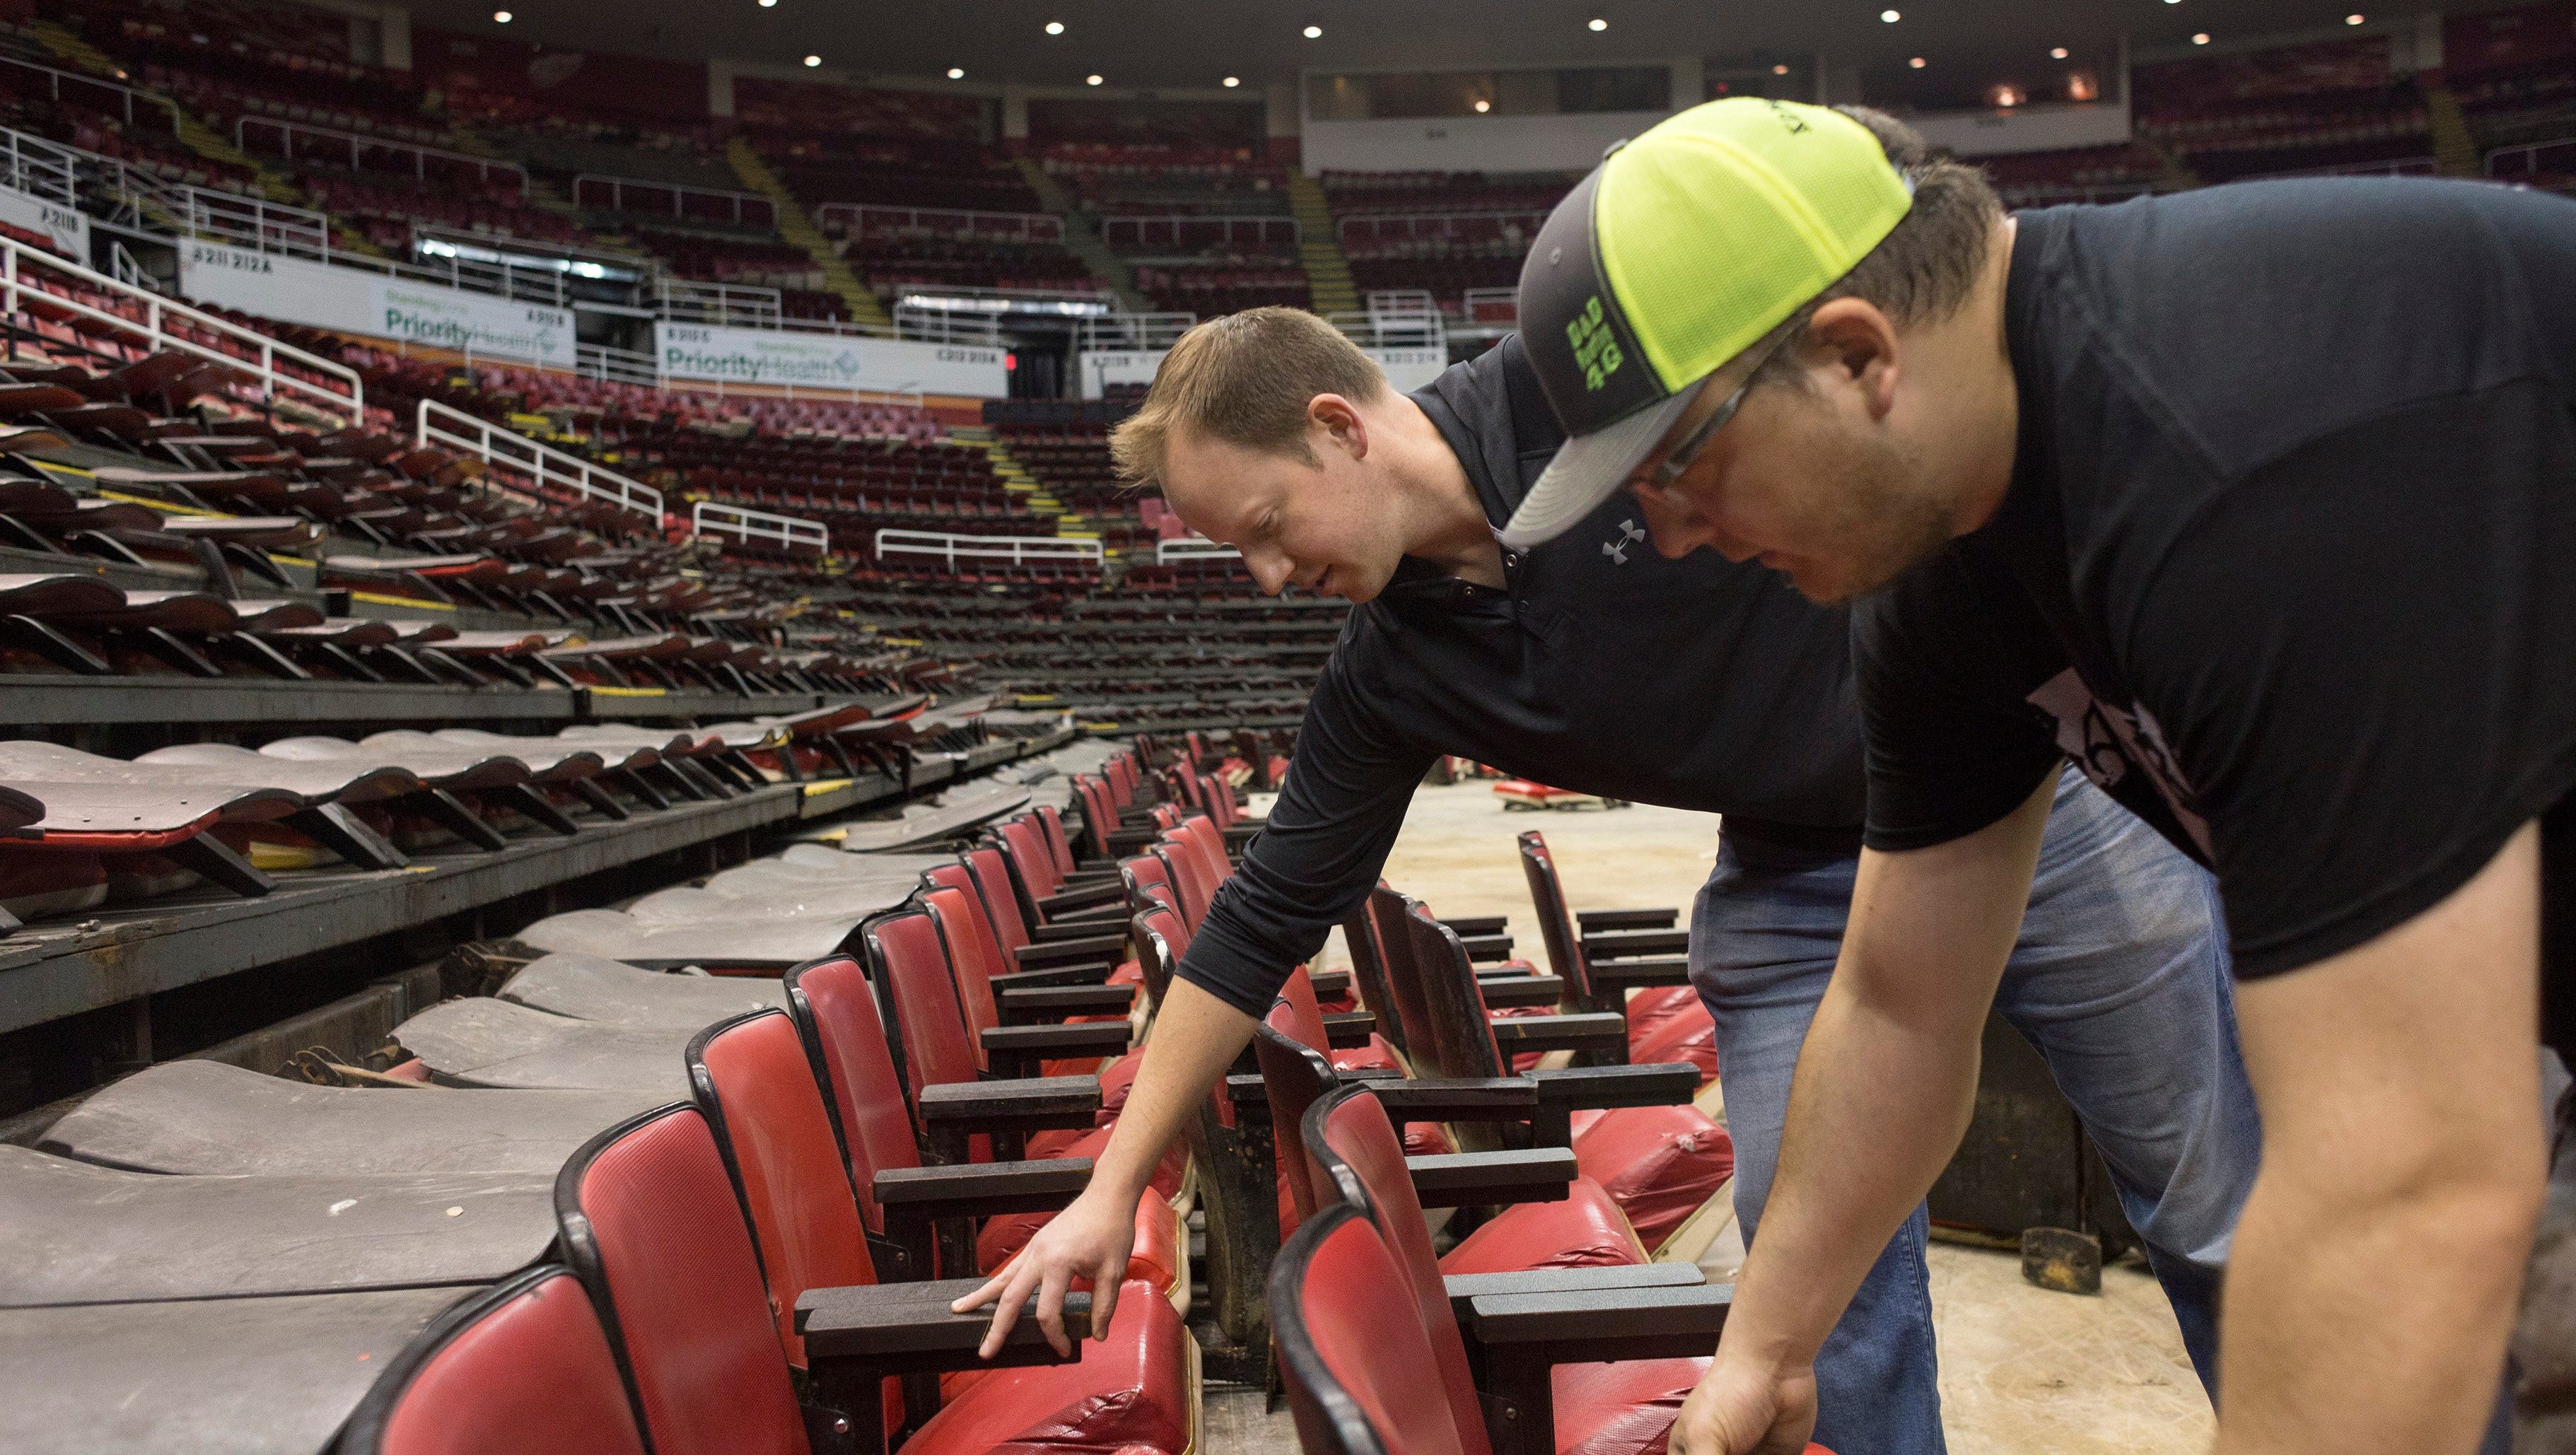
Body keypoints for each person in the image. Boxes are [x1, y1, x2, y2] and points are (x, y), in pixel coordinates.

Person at [950, 303, 2263, 1455]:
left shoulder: (1585, 382)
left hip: (2035, 797)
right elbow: (1257, 921)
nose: (1269, 576)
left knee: (2220, 1215)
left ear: (1339, 427)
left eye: (1267, 528)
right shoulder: (1390, 663)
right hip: (1798, 874)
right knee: (1816, 1300)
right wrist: (1111, 1186)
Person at [1498, 95, 2576, 1454]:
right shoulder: (1940, 555)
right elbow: (1901, 1003)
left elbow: (2402, 1186)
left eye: (1676, 467)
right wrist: (1767, 1349)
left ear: (1853, 357)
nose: (1665, 539)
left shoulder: (2241, 459)